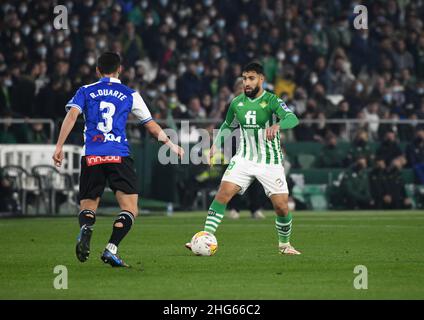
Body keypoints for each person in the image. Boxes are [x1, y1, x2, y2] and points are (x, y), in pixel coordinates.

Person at [52, 52, 184, 267]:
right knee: (130, 208)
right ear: (120, 69)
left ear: (97, 70)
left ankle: (86, 228)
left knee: (88, 205)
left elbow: (72, 116)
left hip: (92, 155)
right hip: (118, 155)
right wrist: (170, 144)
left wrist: (59, 146)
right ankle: (111, 248)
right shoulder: (130, 93)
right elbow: (150, 125)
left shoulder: (85, 91)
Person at [185, 62, 301, 255]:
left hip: (269, 162)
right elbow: (227, 125)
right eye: (244, 78)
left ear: (261, 79)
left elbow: (292, 118)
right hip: (244, 159)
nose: (246, 82)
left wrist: (278, 126)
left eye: (251, 78)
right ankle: (204, 237)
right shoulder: (237, 102)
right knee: (223, 194)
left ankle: (285, 245)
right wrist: (215, 144)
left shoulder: (272, 101)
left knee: (281, 207)